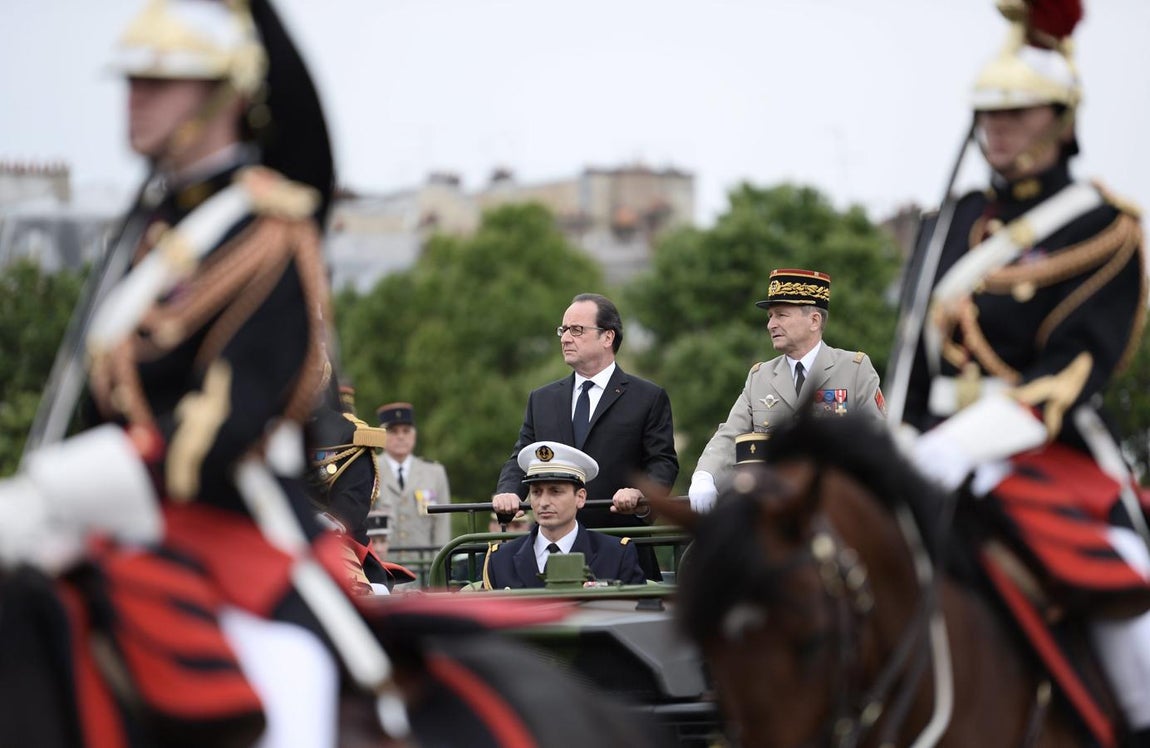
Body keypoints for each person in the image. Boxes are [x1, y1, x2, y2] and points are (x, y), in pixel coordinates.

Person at [0, 1, 408, 744]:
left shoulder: (266, 232)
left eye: (163, 81)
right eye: (131, 80)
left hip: (232, 530)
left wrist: (58, 487)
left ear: (224, 95)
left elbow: (216, 433)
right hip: (121, 523)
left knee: (297, 697)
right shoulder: (151, 234)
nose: (136, 99)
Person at [899, 1, 1150, 742]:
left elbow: (1068, 374)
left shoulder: (1106, 228)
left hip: (1044, 450)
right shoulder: (952, 219)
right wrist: (900, 442)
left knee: (1131, 605)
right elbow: (912, 355)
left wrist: (954, 447)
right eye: (987, 114)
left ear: (1062, 119)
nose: (996, 129)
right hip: (927, 445)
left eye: (1018, 113)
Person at [493, 292, 679, 580]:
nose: (565, 338)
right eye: (563, 330)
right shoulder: (542, 399)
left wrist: (641, 495)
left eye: (577, 330)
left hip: (621, 549)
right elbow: (521, 457)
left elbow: (663, 463)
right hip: (551, 549)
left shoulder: (647, 397)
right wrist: (507, 492)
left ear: (607, 337)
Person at [688, 269, 886, 511]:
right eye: (770, 316)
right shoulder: (759, 376)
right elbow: (730, 435)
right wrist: (705, 475)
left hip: (834, 510)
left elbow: (878, 438)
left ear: (814, 320)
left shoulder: (854, 369)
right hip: (774, 513)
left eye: (781, 315)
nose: (771, 324)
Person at [483, 441, 646, 590]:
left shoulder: (616, 554)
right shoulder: (500, 559)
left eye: (555, 491)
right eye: (536, 492)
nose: (544, 502)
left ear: (580, 497)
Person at [375, 402, 452, 561]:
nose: (400, 436)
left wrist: (438, 566)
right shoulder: (370, 470)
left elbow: (442, 526)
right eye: (393, 431)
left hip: (423, 568)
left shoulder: (434, 473)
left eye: (406, 430)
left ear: (414, 434)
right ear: (381, 434)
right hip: (383, 569)